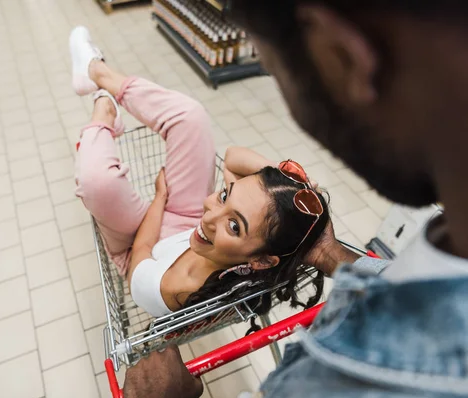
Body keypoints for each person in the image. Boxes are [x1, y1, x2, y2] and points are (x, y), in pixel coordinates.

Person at [120, 1, 468, 398]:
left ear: (338, 55)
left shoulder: (336, 382)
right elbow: (400, 282)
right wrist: (330, 253)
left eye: (272, 68)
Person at [70, 26, 333, 319]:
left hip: (140, 247)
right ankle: (99, 74)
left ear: (260, 260)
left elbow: (143, 246)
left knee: (99, 182)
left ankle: (103, 109)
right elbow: (233, 159)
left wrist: (159, 198)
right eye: (224, 195)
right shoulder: (247, 240)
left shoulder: (174, 288)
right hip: (187, 228)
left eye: (235, 226)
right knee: (191, 117)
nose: (209, 214)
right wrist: (291, 187)